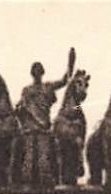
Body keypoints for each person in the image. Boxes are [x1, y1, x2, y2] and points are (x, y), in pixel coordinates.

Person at [16, 48, 76, 187]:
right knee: (29, 160)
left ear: (42, 73)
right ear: (33, 74)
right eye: (35, 72)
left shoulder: (48, 87)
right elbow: (21, 108)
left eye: (39, 72)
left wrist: (71, 64)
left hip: (43, 129)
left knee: (44, 159)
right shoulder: (27, 91)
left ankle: (45, 184)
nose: (37, 74)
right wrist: (20, 110)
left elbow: (65, 80)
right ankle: (27, 184)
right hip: (30, 130)